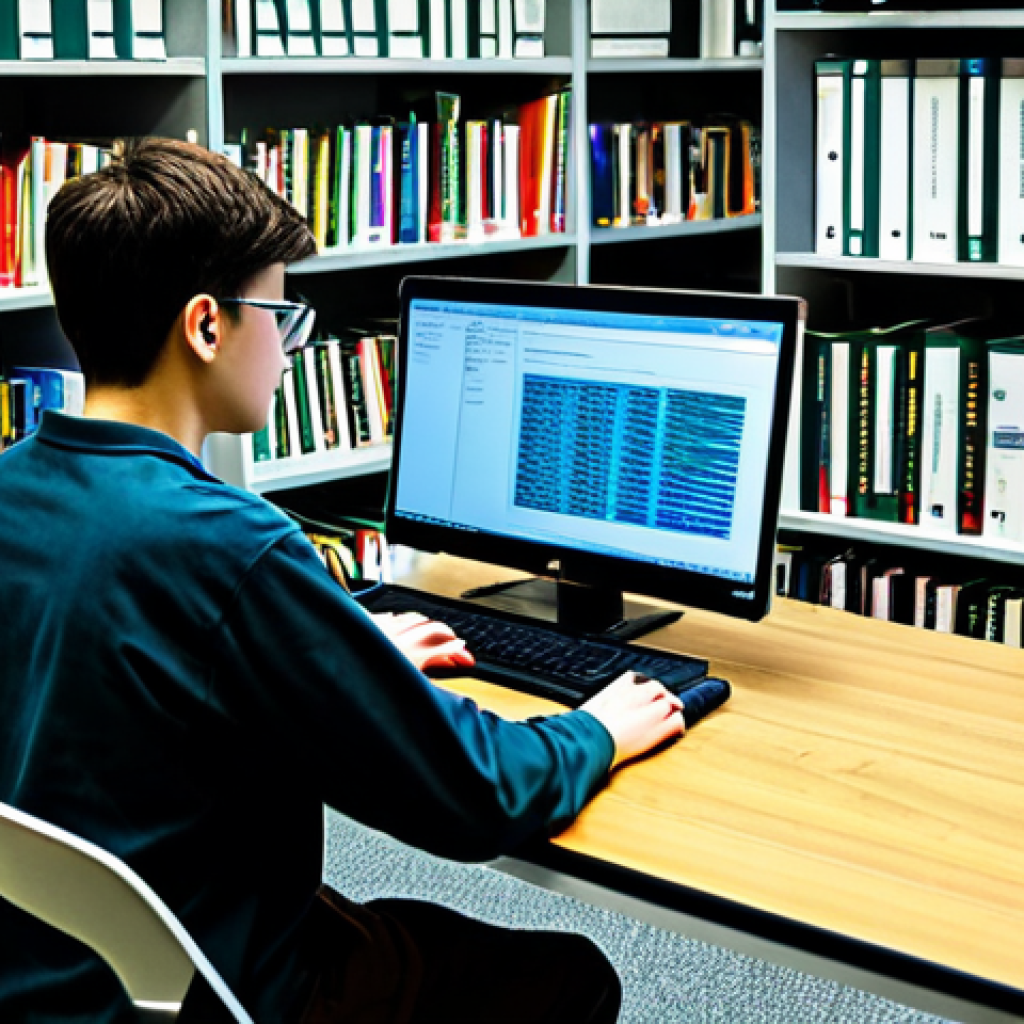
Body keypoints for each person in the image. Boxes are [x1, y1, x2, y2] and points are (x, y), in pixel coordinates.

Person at [0, 138, 686, 1024]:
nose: (288, 351)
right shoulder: (228, 545)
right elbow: (471, 798)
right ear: (208, 327)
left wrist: (337, 652)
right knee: (569, 974)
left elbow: (122, 669)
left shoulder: (15, 486)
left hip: (51, 969)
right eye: (280, 318)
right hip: (211, 988)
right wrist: (592, 732)